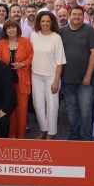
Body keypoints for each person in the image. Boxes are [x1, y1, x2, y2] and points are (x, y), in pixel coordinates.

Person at [60, 6, 94, 141]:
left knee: (85, 109)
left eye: (79, 14)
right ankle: (74, 133)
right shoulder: (62, 31)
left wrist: (88, 75)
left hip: (85, 79)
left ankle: (85, 136)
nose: (76, 17)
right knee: (71, 110)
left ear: (83, 16)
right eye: (74, 14)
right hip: (67, 78)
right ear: (69, 16)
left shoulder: (90, 31)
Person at [31, 12, 67, 140]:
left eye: (48, 21)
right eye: (42, 21)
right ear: (39, 22)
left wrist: (56, 81)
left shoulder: (56, 37)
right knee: (38, 105)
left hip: (52, 77)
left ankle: (51, 133)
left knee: (52, 106)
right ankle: (43, 129)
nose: (45, 23)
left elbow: (60, 61)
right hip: (36, 75)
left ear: (52, 22)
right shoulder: (34, 36)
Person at [0, 20, 33, 139]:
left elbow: (31, 57)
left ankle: (21, 136)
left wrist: (22, 64)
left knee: (22, 110)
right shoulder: (1, 43)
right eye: (8, 28)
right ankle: (11, 135)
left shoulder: (25, 41)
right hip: (7, 81)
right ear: (5, 31)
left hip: (22, 79)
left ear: (17, 29)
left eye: (13, 27)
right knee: (10, 110)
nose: (11, 30)